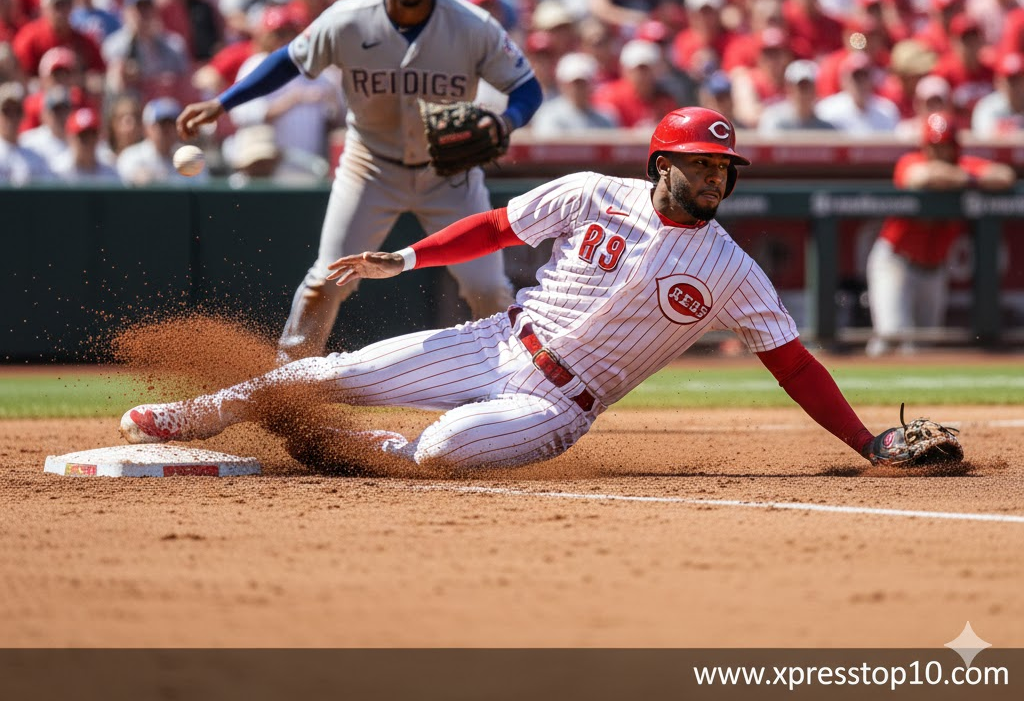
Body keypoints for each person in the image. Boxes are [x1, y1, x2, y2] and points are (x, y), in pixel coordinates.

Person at [121, 106, 894, 474]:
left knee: (444, 449)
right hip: (494, 343)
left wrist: (866, 441)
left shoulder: (732, 268)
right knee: (330, 371)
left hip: (558, 405)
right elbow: (495, 226)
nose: (714, 176)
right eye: (700, 163)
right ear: (662, 163)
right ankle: (194, 415)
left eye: (723, 167)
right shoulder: (593, 192)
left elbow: (793, 364)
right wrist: (411, 257)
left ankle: (348, 451)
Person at [176, 0, 543, 364]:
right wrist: (225, 102)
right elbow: (289, 61)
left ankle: (512, 379)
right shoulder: (348, 19)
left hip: (448, 174)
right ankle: (287, 379)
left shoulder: (472, 25)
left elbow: (527, 88)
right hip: (370, 166)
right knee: (326, 278)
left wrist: (507, 122)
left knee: (488, 287)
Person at [866, 112, 1016, 356]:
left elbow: (1004, 176)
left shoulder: (964, 166)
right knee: (891, 336)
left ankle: (909, 395)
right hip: (896, 262)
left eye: (945, 146)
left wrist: (964, 178)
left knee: (923, 347)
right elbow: (923, 176)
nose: (939, 152)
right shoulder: (910, 161)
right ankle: (866, 392)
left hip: (934, 270)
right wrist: (969, 181)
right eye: (934, 146)